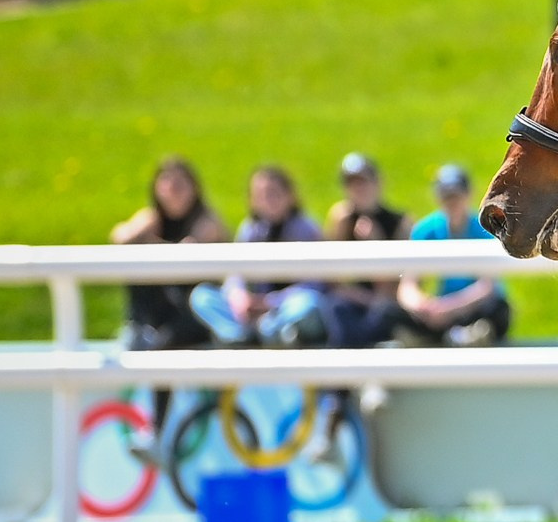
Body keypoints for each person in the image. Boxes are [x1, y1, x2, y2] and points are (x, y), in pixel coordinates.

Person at [110, 156, 228, 460]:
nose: (174, 190)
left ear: (194, 188)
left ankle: (156, 431)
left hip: (200, 316)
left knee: (162, 351)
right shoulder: (152, 218)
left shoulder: (207, 220)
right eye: (168, 183)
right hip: (165, 314)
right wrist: (142, 231)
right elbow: (119, 237)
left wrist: (150, 241)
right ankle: (138, 327)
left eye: (180, 183)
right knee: (137, 266)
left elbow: (187, 254)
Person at [190, 164, 327, 346]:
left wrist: (269, 302)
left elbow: (315, 283)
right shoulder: (250, 229)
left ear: (290, 196)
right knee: (202, 296)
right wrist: (238, 296)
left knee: (308, 303)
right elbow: (235, 273)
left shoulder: (307, 228)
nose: (267, 200)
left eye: (273, 193)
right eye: (260, 195)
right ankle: (239, 335)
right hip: (251, 308)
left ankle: (268, 331)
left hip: (284, 306)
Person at [398, 164, 511, 344]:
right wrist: (421, 305)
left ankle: (445, 336)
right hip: (440, 308)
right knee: (390, 312)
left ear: (467, 195)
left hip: (473, 305)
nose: (452, 202)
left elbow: (488, 287)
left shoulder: (484, 229)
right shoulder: (425, 230)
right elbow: (407, 286)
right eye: (447, 197)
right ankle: (458, 336)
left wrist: (449, 308)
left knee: (497, 308)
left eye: (456, 196)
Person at [322, 151, 409, 349]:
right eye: (352, 184)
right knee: (337, 307)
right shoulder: (341, 218)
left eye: (363, 182)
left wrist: (375, 244)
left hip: (386, 301)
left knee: (384, 312)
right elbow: (334, 280)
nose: (358, 189)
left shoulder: (400, 223)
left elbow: (398, 286)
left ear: (377, 183)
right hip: (355, 298)